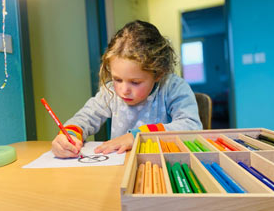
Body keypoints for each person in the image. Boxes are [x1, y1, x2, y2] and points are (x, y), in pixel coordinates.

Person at [51, 20, 202, 158]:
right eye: (117, 79)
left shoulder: (172, 87)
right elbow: (85, 118)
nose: (124, 90)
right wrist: (69, 136)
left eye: (135, 82)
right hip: (120, 168)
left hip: (163, 164)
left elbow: (191, 126)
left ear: (158, 73)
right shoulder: (110, 91)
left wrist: (138, 136)